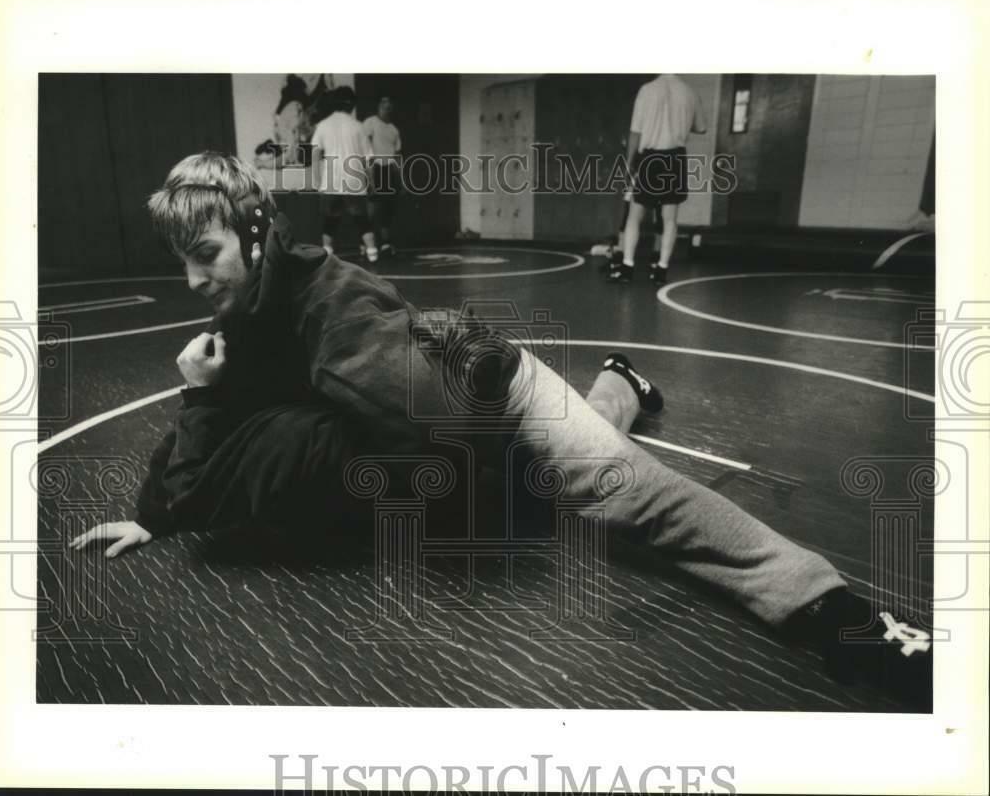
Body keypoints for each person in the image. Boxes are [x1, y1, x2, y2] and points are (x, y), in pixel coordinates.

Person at [74, 152, 932, 709]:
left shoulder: (337, 304)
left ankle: (836, 613)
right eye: (181, 260)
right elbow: (224, 441)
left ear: (256, 237)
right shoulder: (243, 329)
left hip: (496, 394)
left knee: (624, 494)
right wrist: (159, 500)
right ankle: (622, 380)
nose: (192, 279)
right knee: (571, 468)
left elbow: (441, 420)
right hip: (449, 442)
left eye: (208, 254)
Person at [608, 74, 706, 286]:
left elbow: (635, 132)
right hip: (675, 157)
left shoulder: (647, 90)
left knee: (635, 215)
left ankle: (627, 268)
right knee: (670, 218)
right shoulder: (689, 92)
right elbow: (701, 127)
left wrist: (628, 163)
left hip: (650, 157)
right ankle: (661, 270)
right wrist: (678, 121)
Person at [309, 86, 379, 262]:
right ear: (352, 105)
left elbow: (315, 153)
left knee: (330, 220)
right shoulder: (358, 126)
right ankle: (372, 253)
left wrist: (316, 179)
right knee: (362, 219)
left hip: (331, 180)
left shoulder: (323, 126)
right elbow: (368, 159)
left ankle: (326, 255)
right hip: (354, 179)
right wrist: (371, 183)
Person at [363, 96, 403, 257]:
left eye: (390, 107)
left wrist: (401, 179)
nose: (387, 110)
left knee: (387, 208)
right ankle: (366, 245)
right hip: (374, 168)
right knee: (372, 209)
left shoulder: (393, 129)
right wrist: (369, 177)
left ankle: (386, 244)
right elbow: (365, 148)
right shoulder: (370, 123)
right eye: (385, 106)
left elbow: (397, 156)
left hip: (389, 170)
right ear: (379, 106)